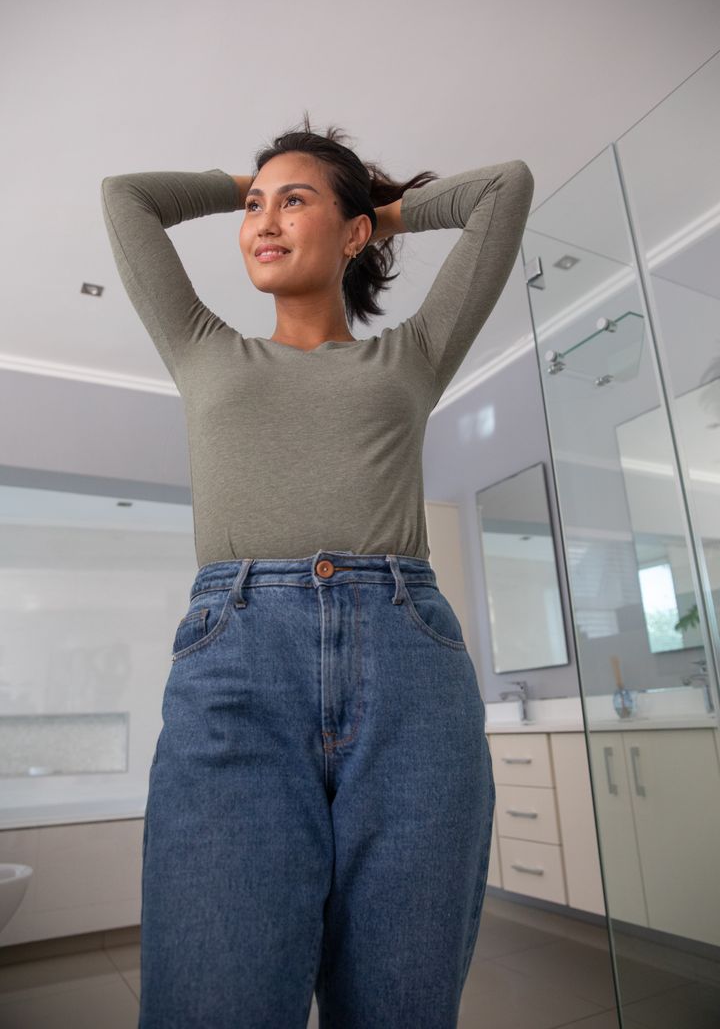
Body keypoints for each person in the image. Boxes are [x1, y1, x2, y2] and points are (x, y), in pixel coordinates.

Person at [101, 111, 534, 1029]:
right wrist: (242, 181)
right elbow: (126, 200)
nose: (261, 219)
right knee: (216, 1000)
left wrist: (379, 206)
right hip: (235, 665)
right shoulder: (203, 347)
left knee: (401, 1008)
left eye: (292, 202)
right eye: (253, 208)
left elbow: (506, 188)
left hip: (409, 670)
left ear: (352, 233)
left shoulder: (409, 355)